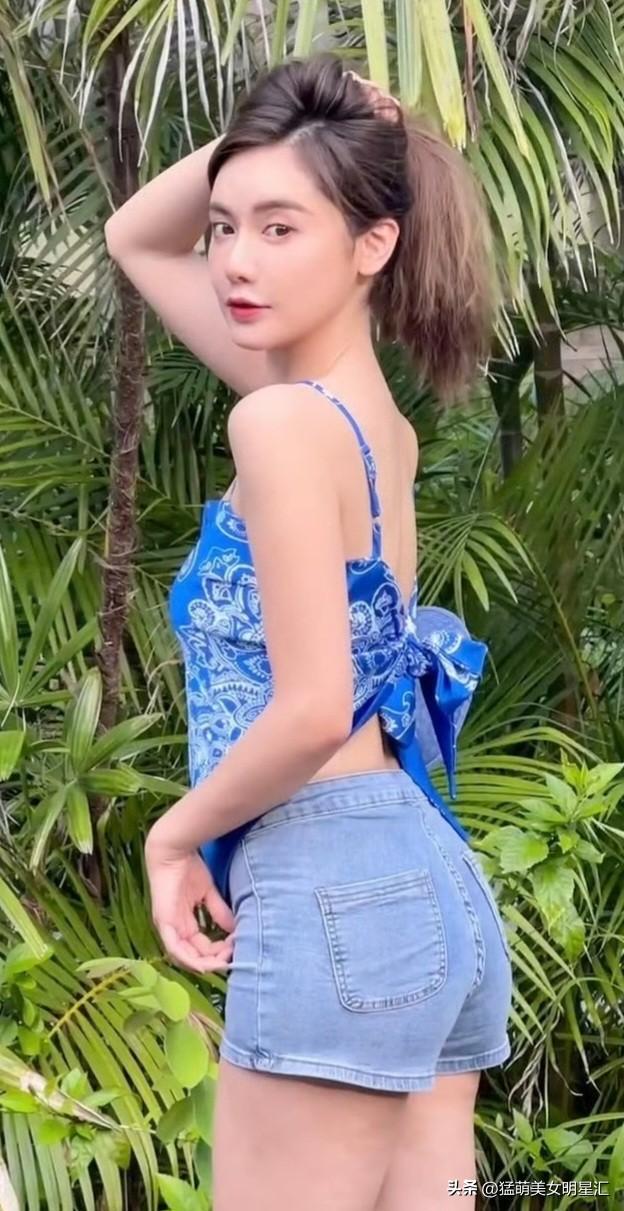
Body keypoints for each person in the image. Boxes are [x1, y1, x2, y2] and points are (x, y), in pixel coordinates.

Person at [105, 51, 512, 1211]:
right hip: (429, 886)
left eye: (281, 228)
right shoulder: (366, 420)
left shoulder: (282, 423)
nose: (236, 258)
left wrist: (172, 837)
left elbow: (313, 705)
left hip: (332, 884)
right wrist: (308, 127)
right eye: (227, 225)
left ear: (372, 244)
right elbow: (138, 237)